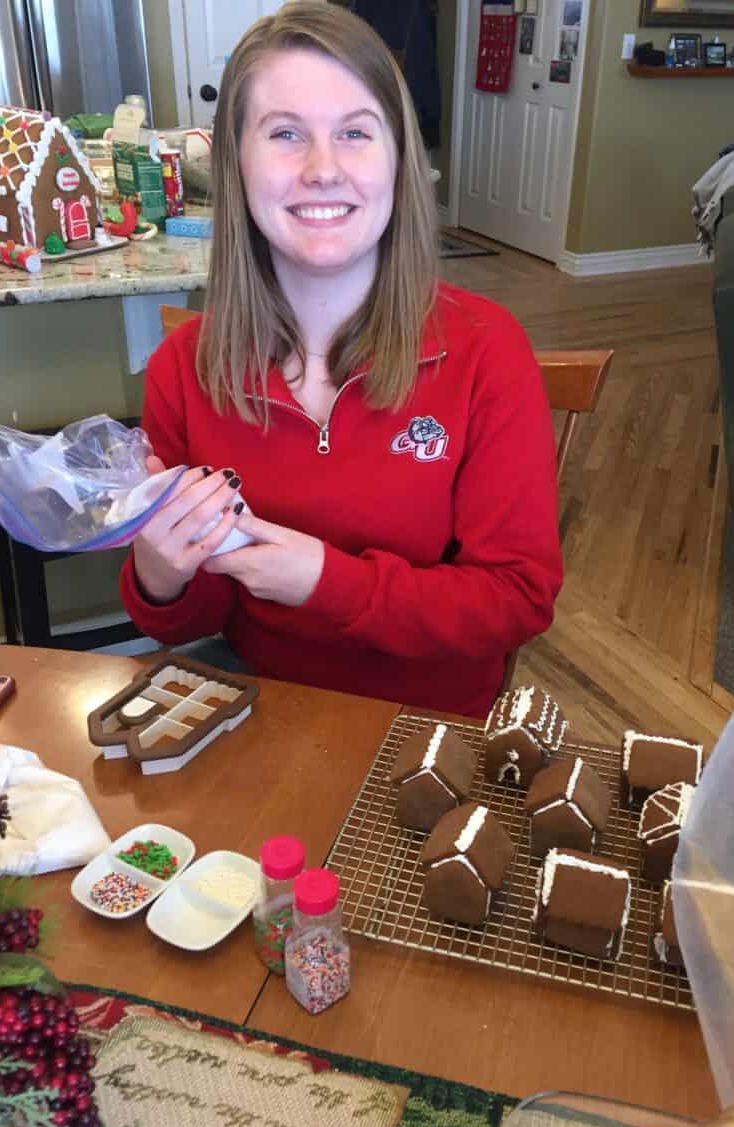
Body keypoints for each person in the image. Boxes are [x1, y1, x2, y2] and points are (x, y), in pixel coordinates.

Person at [120, 2, 562, 719]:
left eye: (355, 133)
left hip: (430, 731)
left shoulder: (486, 349)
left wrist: (328, 582)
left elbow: (517, 599)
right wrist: (160, 573)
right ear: (237, 162)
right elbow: (187, 622)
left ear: (398, 158)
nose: (323, 169)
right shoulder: (182, 368)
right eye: (286, 133)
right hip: (257, 713)